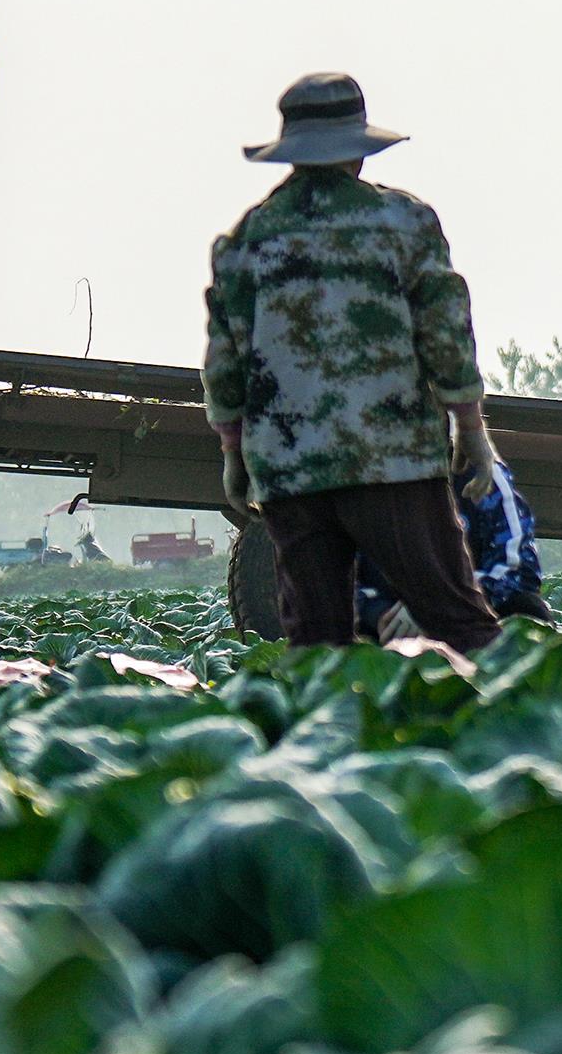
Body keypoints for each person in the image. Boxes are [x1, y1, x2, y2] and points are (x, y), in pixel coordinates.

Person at [202, 70, 510, 652]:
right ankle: (515, 729)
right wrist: (472, 430)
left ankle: (325, 739)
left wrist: (232, 454)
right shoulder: (404, 223)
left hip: (291, 467)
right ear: (359, 153)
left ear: (291, 152)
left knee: (316, 642)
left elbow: (226, 360)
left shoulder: (247, 239)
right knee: (460, 622)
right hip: (392, 460)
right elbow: (446, 333)